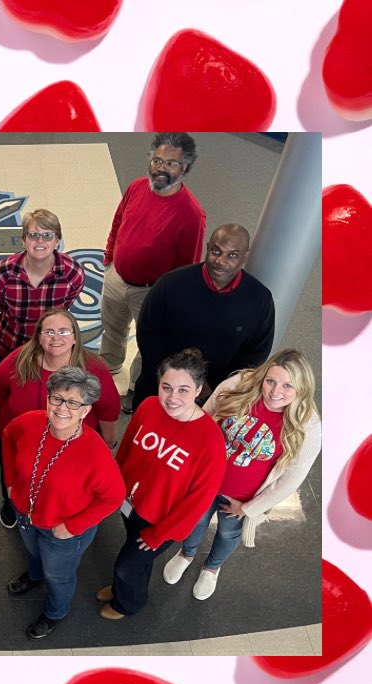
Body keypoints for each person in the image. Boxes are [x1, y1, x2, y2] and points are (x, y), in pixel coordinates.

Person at [162, 349, 321, 600]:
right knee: (195, 521)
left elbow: (292, 479)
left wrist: (248, 509)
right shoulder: (238, 385)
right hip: (205, 483)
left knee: (227, 533)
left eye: (288, 386)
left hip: (242, 499)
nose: (275, 392)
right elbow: (204, 420)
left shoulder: (307, 425)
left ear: (302, 389)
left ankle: (212, 568)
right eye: (271, 381)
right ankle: (186, 554)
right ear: (263, 376)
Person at [97, 349, 226, 620]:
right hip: (131, 505)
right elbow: (126, 453)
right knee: (136, 557)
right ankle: (125, 588)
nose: (172, 398)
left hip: (161, 521)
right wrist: (113, 488)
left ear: (199, 390)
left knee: (126, 566)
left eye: (183, 390)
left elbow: (199, 501)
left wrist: (161, 533)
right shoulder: (148, 407)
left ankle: (128, 603)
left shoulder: (210, 441)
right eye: (166, 387)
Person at [2, 368, 125, 639]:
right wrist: (10, 483)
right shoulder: (29, 423)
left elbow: (114, 497)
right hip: (27, 515)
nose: (62, 408)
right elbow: (8, 437)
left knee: (58, 576)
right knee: (34, 554)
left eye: (73, 403)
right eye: (56, 398)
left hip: (63, 531)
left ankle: (55, 612)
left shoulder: (96, 454)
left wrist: (72, 527)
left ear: (85, 410)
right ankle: (35, 577)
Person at [0, 309, 120, 528]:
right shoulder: (21, 359)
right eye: (49, 331)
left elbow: (108, 408)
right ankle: (12, 503)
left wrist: (108, 443)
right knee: (15, 471)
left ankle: (59, 512)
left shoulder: (93, 368)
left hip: (69, 443)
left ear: (75, 337)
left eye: (64, 331)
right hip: (17, 437)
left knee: (60, 484)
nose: (56, 338)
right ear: (38, 337)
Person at [99, 132, 206, 412]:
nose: (161, 168)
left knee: (149, 344)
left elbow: (186, 268)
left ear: (185, 168)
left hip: (150, 292)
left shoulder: (192, 215)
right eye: (157, 160)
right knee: (112, 328)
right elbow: (118, 221)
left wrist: (165, 300)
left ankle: (136, 387)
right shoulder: (136, 187)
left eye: (171, 164)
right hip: (116, 277)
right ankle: (108, 366)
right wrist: (109, 257)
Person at [131, 224, 275, 412]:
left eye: (232, 255)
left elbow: (256, 353)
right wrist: (171, 382)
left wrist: (215, 387)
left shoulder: (260, 300)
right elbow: (148, 334)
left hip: (213, 399)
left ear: (245, 256)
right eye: (216, 251)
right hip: (160, 388)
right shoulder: (170, 284)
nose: (220, 261)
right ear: (208, 247)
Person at [0, 208, 85, 366]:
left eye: (48, 235)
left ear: (57, 241)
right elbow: (1, 306)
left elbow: (66, 306)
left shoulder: (73, 274)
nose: (40, 241)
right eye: (34, 235)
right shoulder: (3, 272)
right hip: (9, 347)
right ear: (24, 240)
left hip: (51, 352)